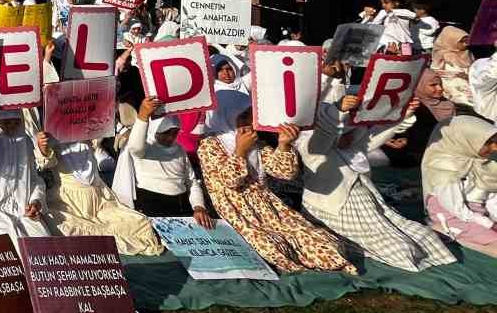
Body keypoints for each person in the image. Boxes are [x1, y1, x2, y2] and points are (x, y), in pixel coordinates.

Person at [294, 93, 455, 272]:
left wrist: (404, 113)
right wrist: (337, 112)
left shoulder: (353, 146)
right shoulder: (312, 149)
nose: (349, 136)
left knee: (426, 237)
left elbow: (373, 137)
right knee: (400, 248)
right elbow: (321, 139)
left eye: (352, 130)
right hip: (334, 208)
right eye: (343, 130)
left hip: (370, 205)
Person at [196, 98, 357, 274]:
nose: (249, 122)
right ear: (225, 116)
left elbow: (284, 173)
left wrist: (284, 144)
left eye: (251, 116)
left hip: (268, 206)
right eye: (243, 117)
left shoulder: (256, 144)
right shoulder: (209, 145)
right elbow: (230, 182)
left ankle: (320, 259)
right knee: (271, 245)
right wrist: (240, 150)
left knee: (319, 240)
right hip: (237, 210)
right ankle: (292, 262)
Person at [35, 124, 165, 256]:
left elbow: (109, 124)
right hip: (69, 204)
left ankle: (103, 237)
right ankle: (102, 238)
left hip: (99, 201)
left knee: (140, 223)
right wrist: (43, 147)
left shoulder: (89, 126)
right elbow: (45, 162)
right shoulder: (52, 131)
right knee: (62, 227)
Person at [0, 99, 53, 242]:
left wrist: (36, 201)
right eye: (6, 123)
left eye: (16, 122)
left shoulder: (24, 142)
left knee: (43, 245)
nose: (12, 127)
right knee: (14, 244)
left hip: (24, 209)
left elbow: (35, 179)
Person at [112, 100, 211, 224]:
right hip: (151, 205)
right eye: (165, 133)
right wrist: (143, 115)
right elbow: (135, 147)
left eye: (174, 133)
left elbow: (191, 182)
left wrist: (199, 206)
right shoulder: (145, 146)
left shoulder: (179, 149)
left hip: (180, 206)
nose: (170, 137)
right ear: (155, 130)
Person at [421, 115, 497, 258]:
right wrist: (489, 224)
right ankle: (452, 235)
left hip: (479, 211)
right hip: (454, 214)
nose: (494, 148)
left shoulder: (483, 161)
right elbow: (456, 208)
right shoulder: (445, 166)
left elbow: (491, 196)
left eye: (495, 142)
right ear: (468, 140)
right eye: (488, 143)